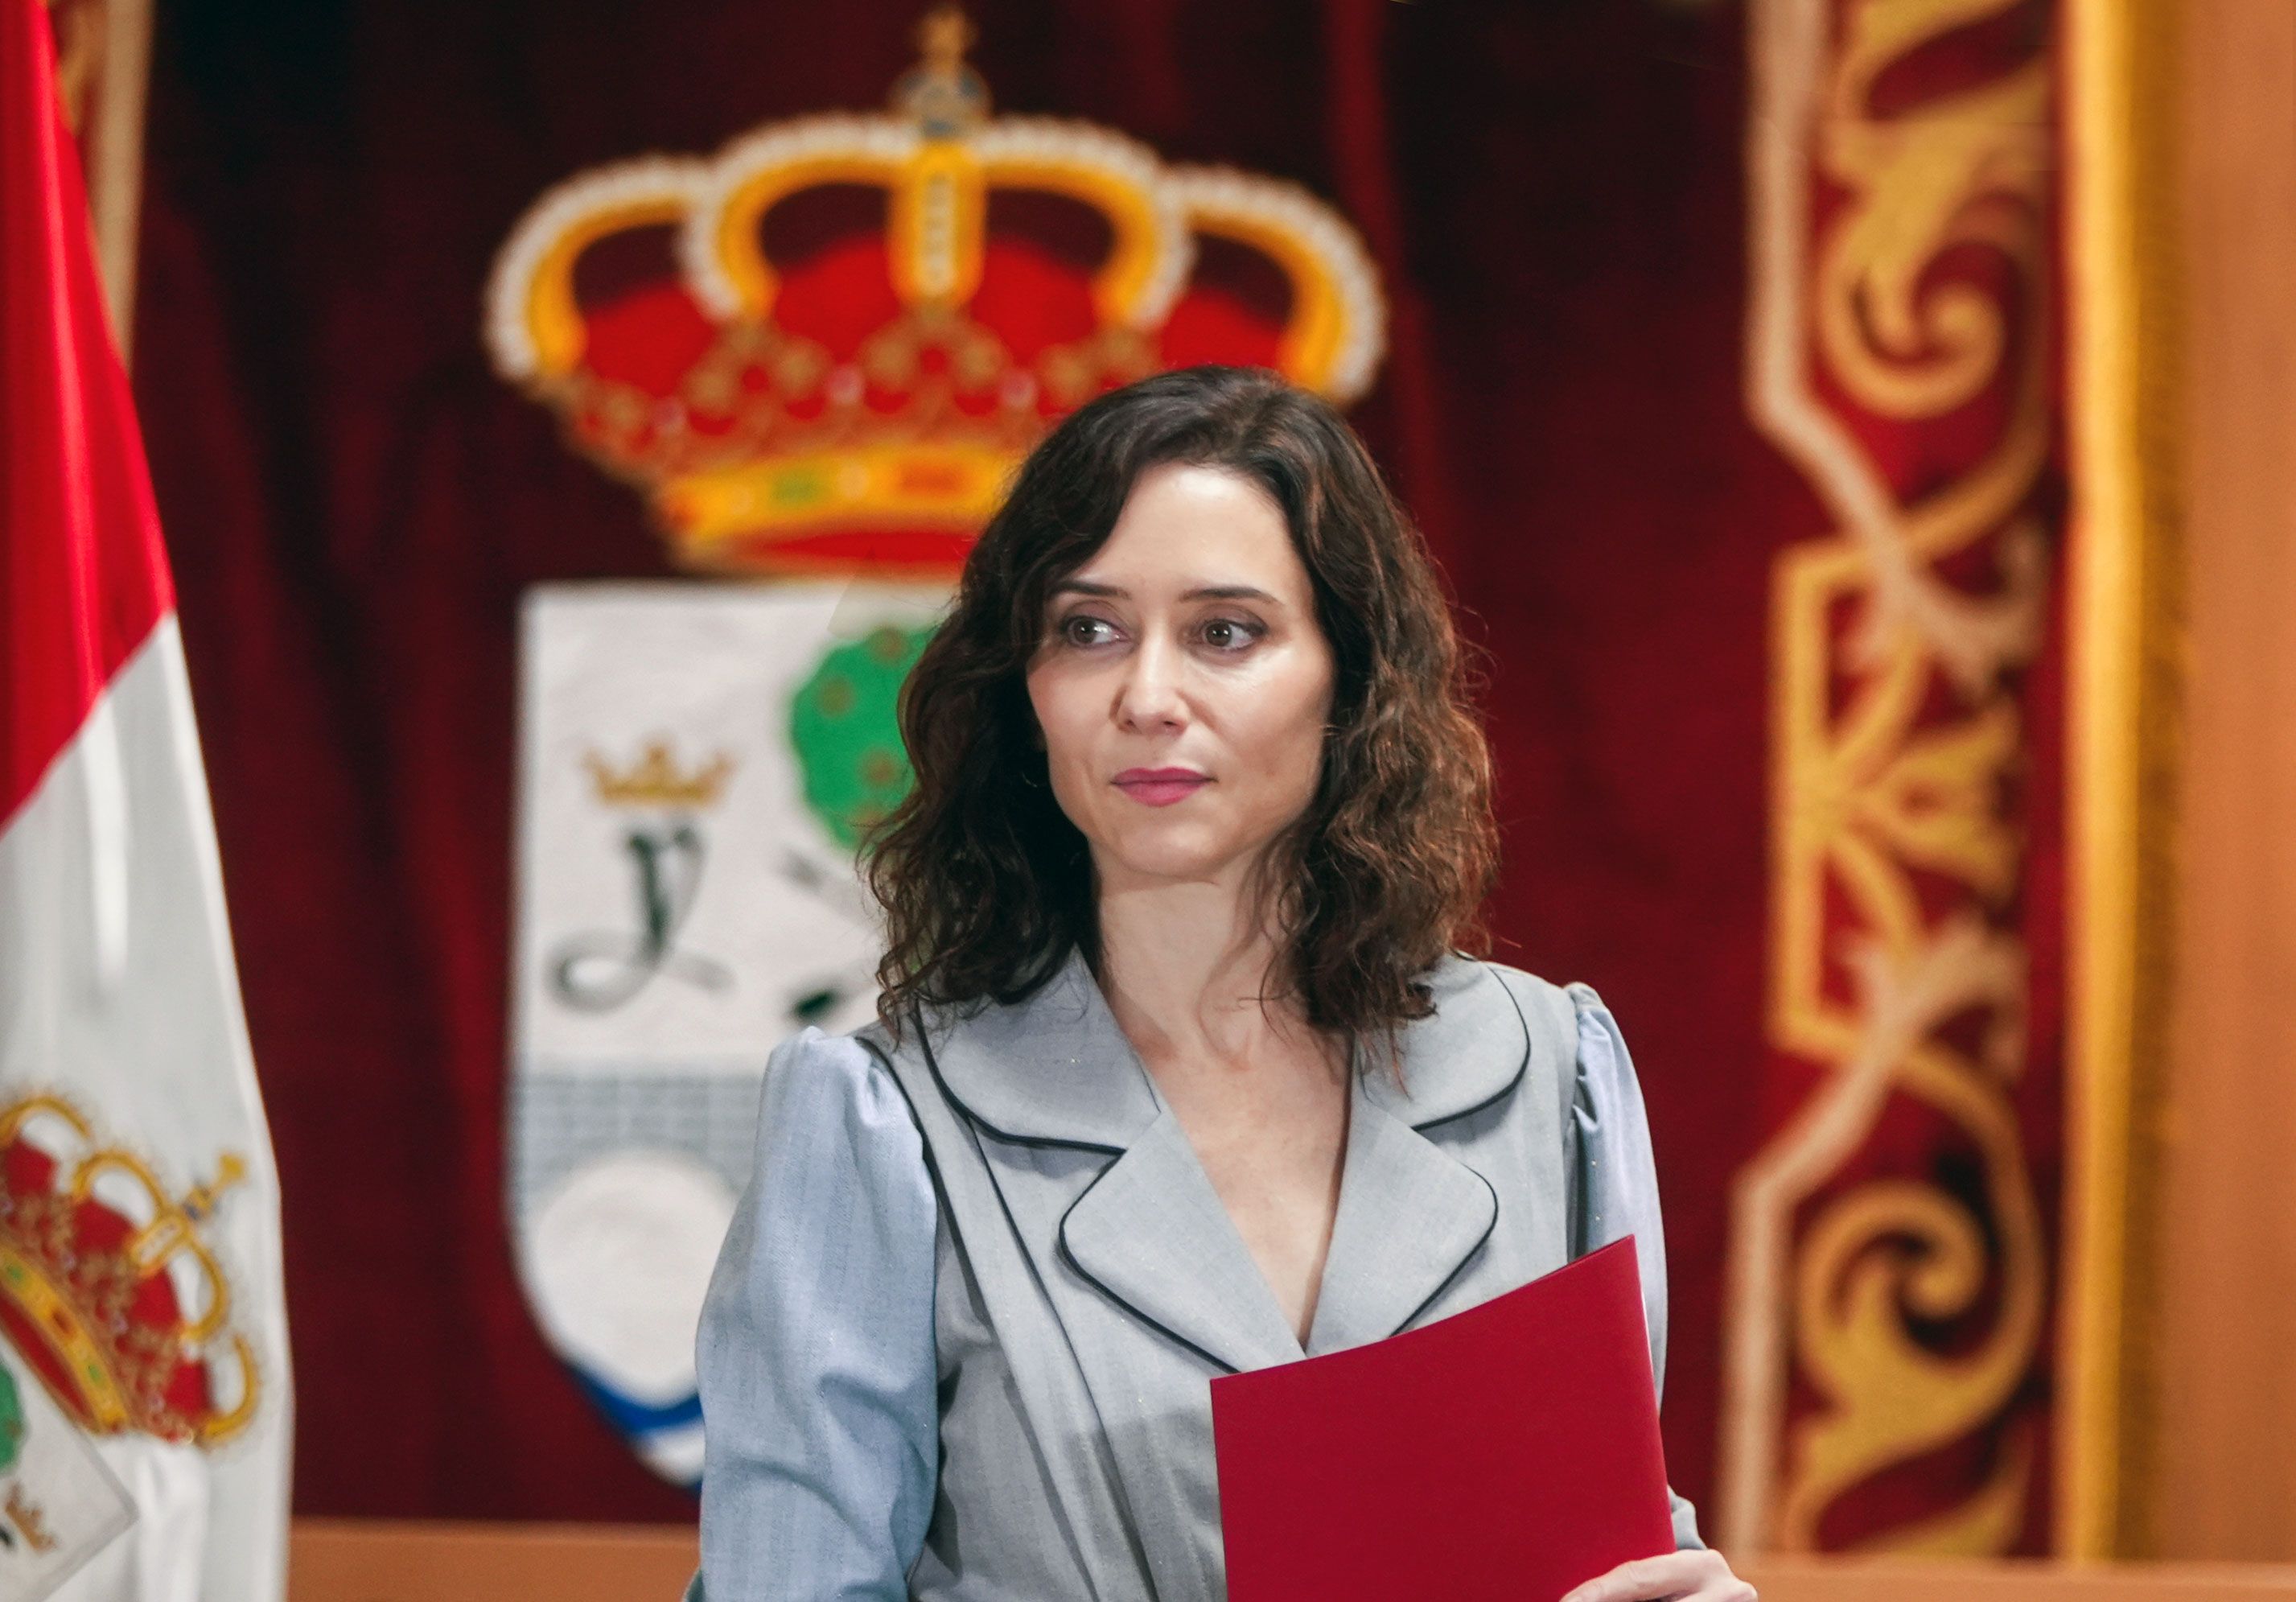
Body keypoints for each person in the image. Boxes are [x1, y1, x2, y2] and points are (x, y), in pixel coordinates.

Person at [686, 365, 1755, 1602]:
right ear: (1023, 690)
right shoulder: (885, 1122)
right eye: (1087, 630)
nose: (1146, 697)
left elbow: (1617, 1531)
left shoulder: (1548, 1072)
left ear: (1349, 676)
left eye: (1224, 633)